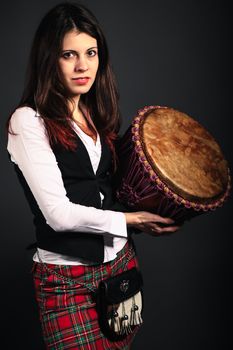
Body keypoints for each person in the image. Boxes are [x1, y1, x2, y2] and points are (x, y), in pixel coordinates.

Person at [6, 2, 179, 349]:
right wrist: (132, 220)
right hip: (67, 279)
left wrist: (162, 204)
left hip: (120, 266)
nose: (83, 65)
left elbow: (110, 188)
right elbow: (58, 214)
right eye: (69, 54)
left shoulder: (95, 111)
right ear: (48, 59)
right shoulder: (28, 121)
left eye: (91, 52)